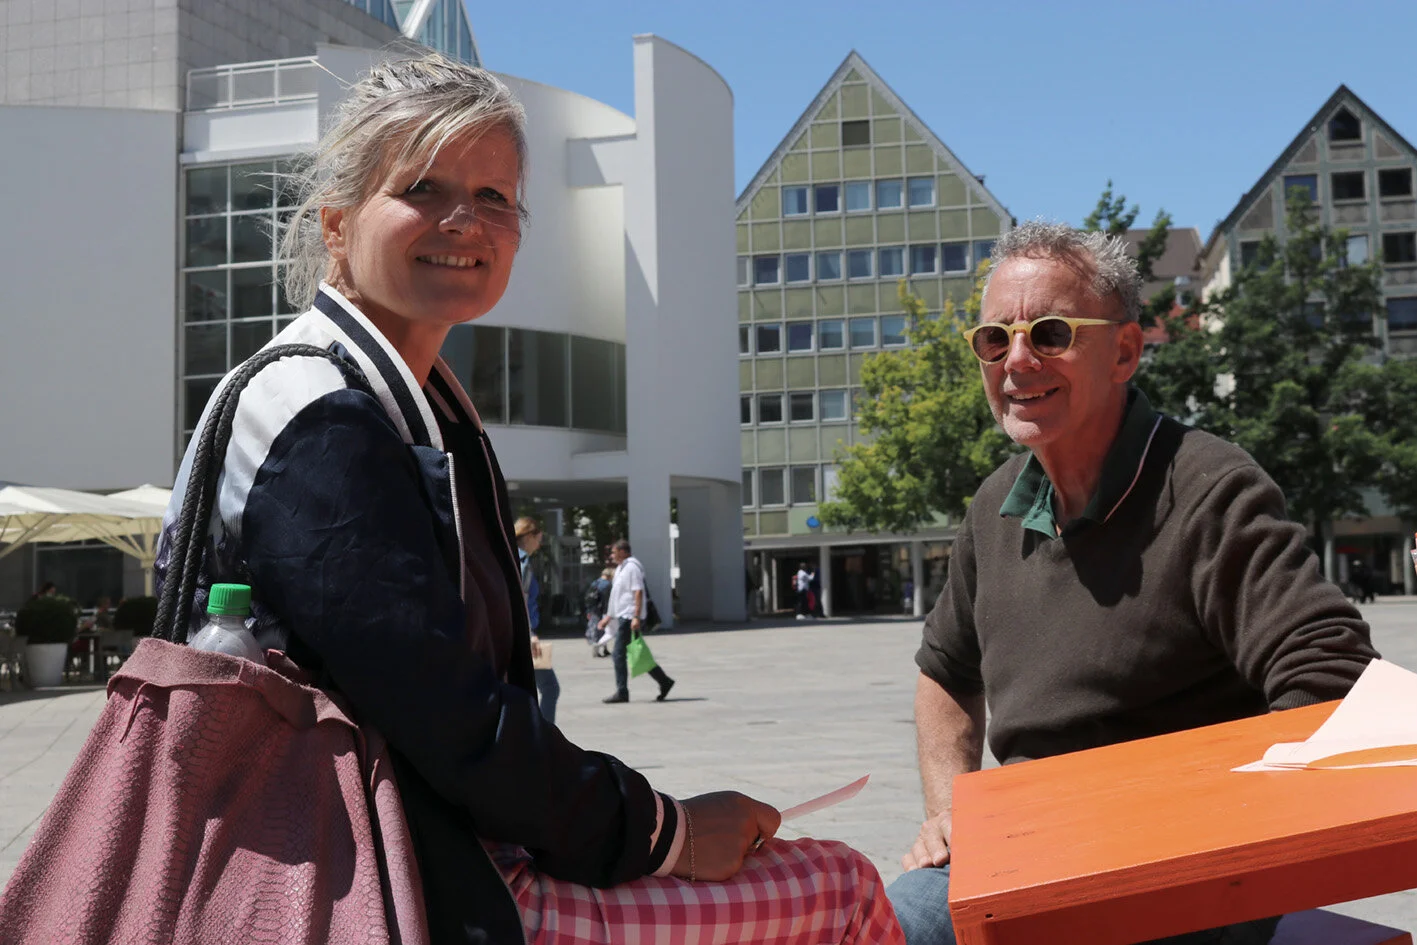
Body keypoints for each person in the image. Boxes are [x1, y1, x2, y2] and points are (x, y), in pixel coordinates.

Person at [153, 53, 900, 944]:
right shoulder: (321, 416)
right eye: (423, 187)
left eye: (496, 196)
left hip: (412, 851)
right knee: (842, 886)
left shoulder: (408, 400)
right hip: (379, 887)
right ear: (338, 224)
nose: (464, 220)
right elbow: (445, 713)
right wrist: (661, 830)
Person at [885, 221, 1379, 945]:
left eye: (1049, 333)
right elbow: (943, 673)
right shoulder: (994, 506)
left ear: (1122, 351)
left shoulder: (1208, 487)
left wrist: (1218, 826)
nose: (1016, 360)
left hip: (1185, 868)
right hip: (1023, 852)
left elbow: (1332, 677)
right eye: (994, 339)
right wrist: (949, 813)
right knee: (879, 926)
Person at [597, 539, 676, 704]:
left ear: (623, 551)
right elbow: (617, 596)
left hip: (629, 617)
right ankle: (664, 681)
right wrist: (608, 616)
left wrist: (636, 616)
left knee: (619, 654)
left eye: (614, 552)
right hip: (623, 616)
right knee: (637, 653)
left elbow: (638, 592)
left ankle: (622, 692)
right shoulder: (621, 568)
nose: (612, 556)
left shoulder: (632, 567)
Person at [515, 516, 560, 724]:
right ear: (529, 536)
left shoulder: (513, 558)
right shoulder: (523, 564)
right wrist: (531, 635)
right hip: (525, 637)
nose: (540, 544)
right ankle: (545, 739)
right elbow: (520, 603)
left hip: (517, 636)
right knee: (550, 688)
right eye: (539, 538)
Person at [584, 567, 614, 655]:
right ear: (609, 576)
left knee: (598, 628)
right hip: (602, 609)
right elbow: (608, 599)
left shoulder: (595, 583)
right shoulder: (607, 584)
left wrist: (588, 611)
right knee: (604, 630)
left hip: (593, 608)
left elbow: (589, 597)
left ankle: (604, 648)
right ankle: (598, 647)